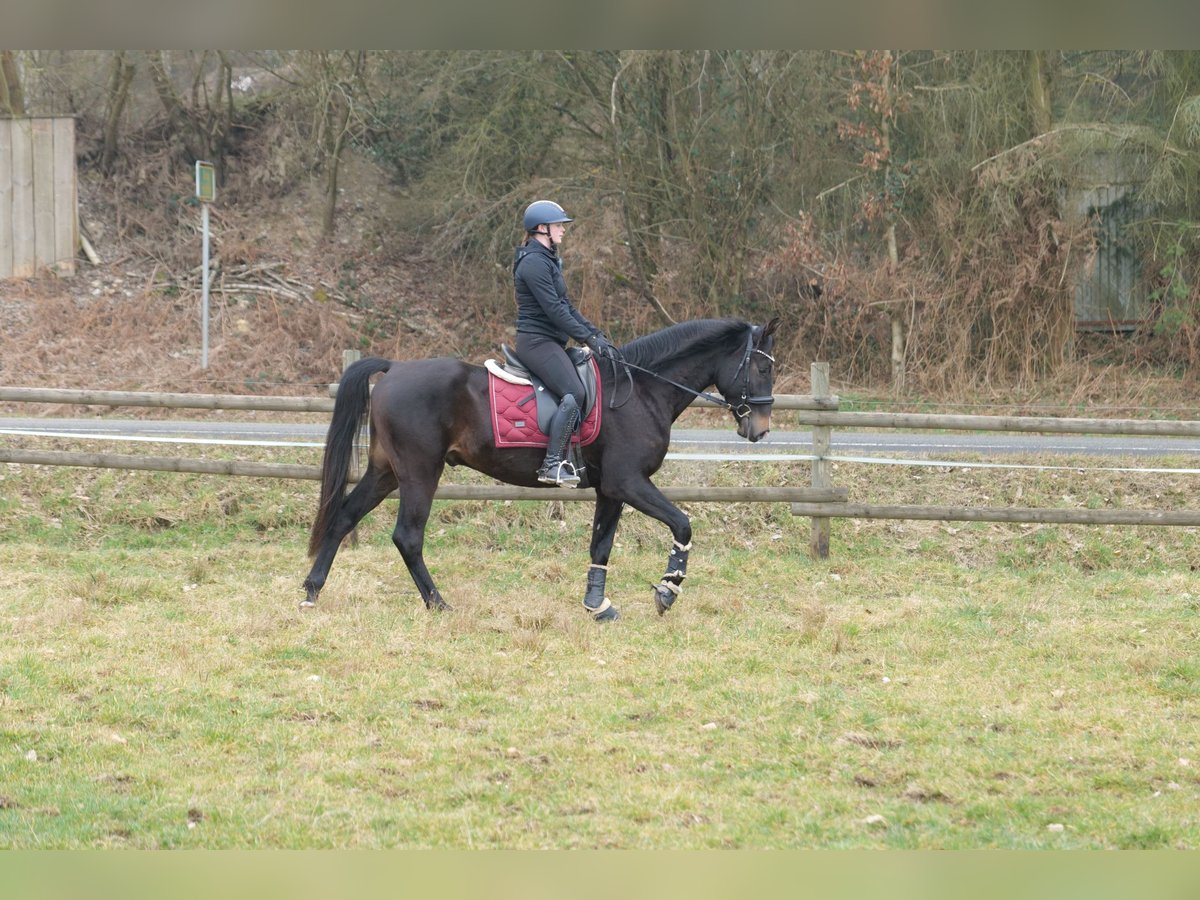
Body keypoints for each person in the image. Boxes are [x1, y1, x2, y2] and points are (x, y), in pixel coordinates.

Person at [513, 199, 620, 486]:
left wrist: (595, 335)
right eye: (559, 225)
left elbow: (567, 306)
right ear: (541, 228)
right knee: (573, 391)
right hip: (536, 342)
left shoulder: (547, 259)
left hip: (550, 341)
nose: (563, 230)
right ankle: (552, 464)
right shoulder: (534, 263)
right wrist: (586, 337)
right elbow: (555, 311)